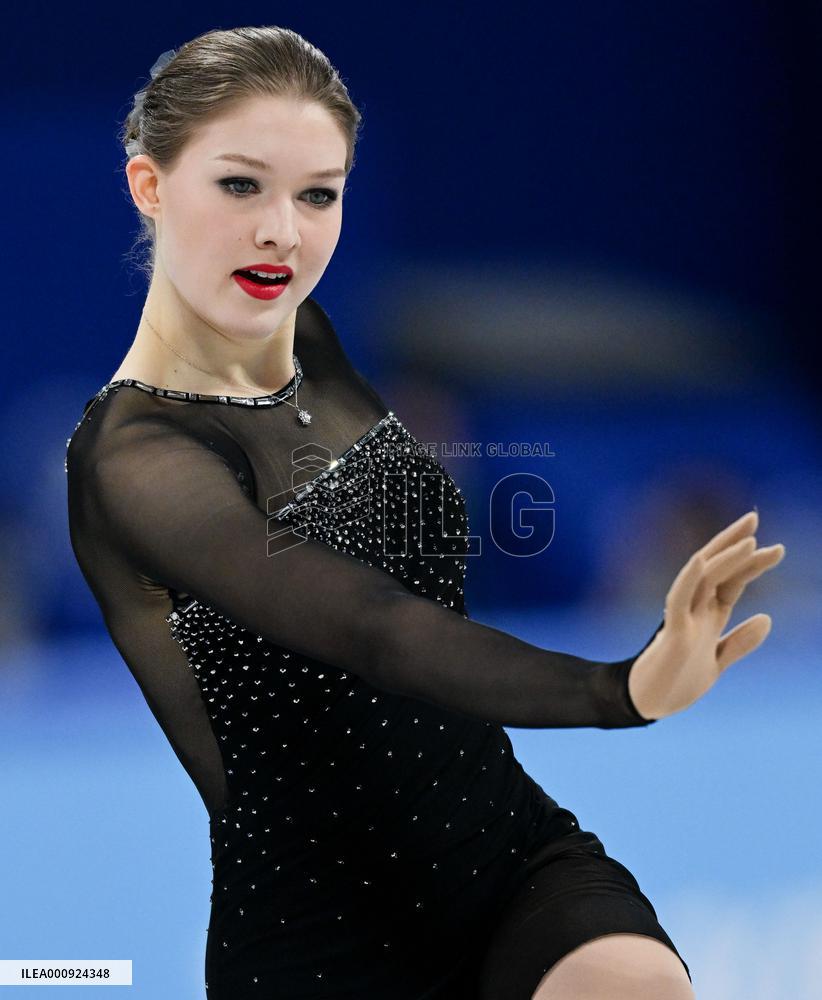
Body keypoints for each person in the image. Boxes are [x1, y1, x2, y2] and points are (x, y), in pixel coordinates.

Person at [64, 25, 784, 1000]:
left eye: (318, 193)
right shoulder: (134, 459)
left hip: (511, 858)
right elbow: (373, 626)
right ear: (151, 186)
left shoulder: (308, 339)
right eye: (242, 186)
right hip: (322, 937)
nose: (285, 228)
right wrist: (622, 690)